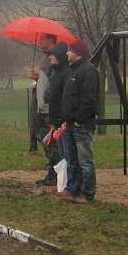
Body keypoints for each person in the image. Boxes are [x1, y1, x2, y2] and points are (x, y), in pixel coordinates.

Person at [59, 39, 99, 203]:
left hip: (81, 124)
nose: (67, 53)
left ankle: (88, 193)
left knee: (85, 161)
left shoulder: (88, 71)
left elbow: (89, 99)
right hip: (69, 123)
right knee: (72, 160)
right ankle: (73, 188)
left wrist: (79, 120)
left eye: (70, 50)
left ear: (78, 52)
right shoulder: (72, 71)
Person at [37, 42, 70, 186]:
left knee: (60, 151)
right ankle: (56, 178)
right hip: (53, 116)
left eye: (53, 55)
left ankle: (62, 182)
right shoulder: (55, 71)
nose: (50, 58)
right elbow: (49, 92)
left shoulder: (65, 73)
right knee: (50, 145)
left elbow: (56, 94)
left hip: (60, 118)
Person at [28, 34, 57, 152]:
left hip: (48, 106)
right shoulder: (46, 58)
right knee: (43, 135)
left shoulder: (55, 58)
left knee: (50, 138)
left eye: (42, 39)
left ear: (50, 40)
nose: (39, 41)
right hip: (42, 105)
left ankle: (56, 165)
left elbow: (55, 80)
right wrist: (37, 78)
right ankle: (53, 165)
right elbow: (46, 79)